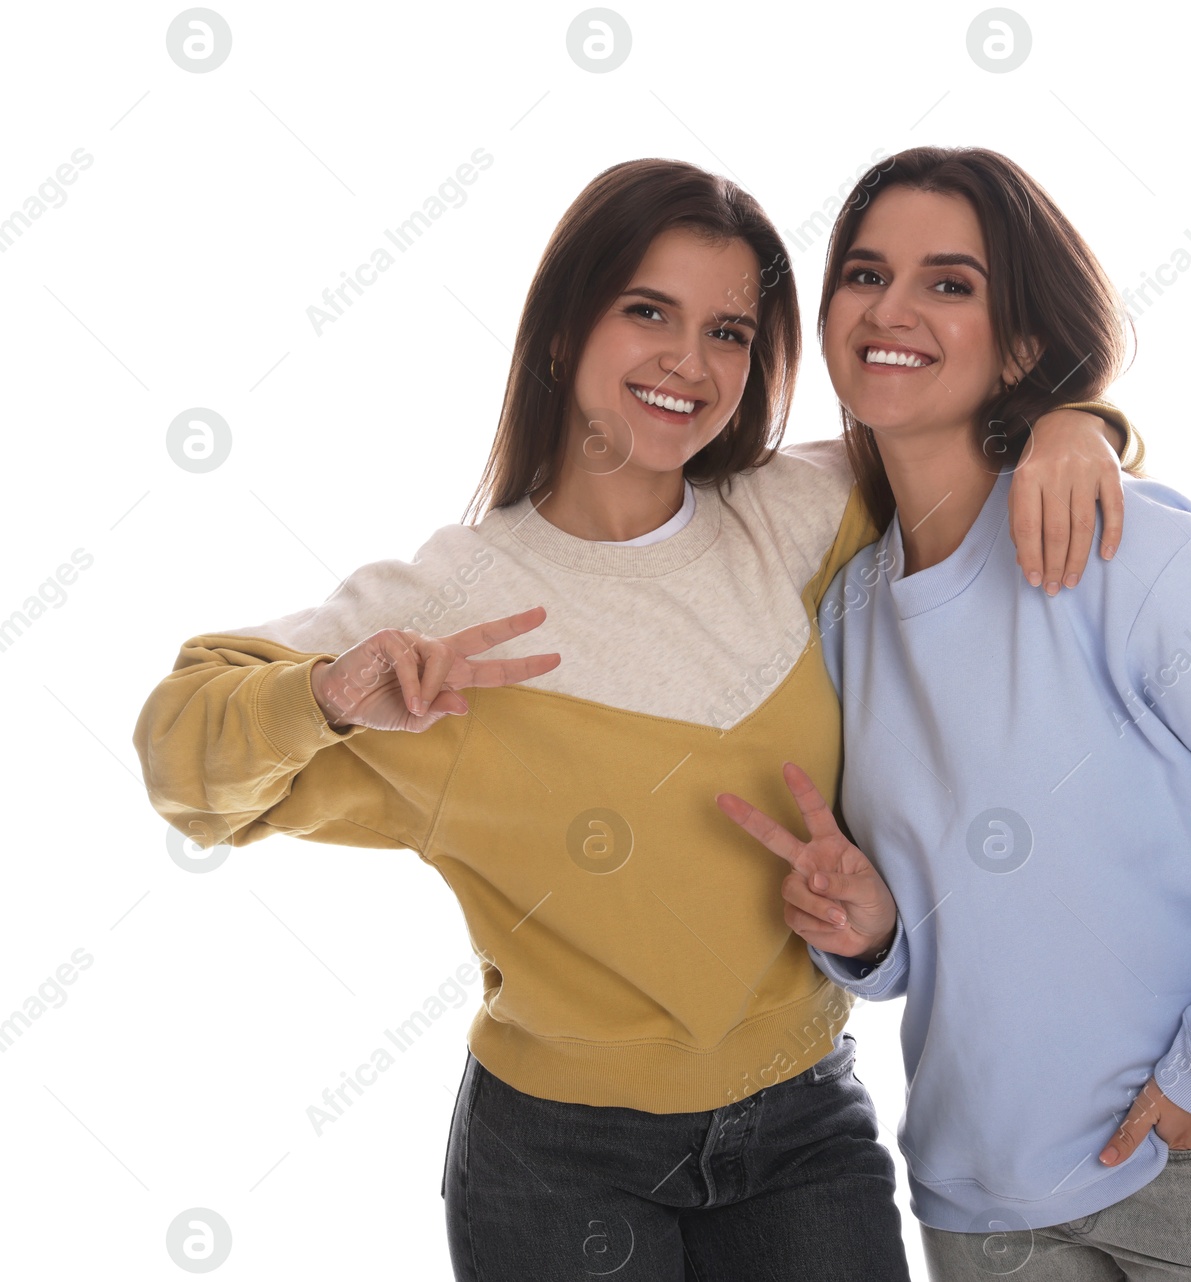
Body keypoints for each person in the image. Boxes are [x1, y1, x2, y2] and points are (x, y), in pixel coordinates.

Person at [131, 156, 1138, 1281]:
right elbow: (183, 768)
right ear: (565, 332)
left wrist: (1075, 424)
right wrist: (318, 695)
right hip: (557, 1162)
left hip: (803, 1127)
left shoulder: (800, 515)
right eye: (647, 311)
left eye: (729, 331)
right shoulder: (436, 605)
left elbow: (963, 432)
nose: (688, 362)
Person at [717, 146, 1191, 1281]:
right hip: (985, 1205)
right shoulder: (847, 613)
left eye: (950, 283)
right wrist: (875, 928)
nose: (892, 308)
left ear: (1025, 341)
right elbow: (947, 932)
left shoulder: (1126, 553)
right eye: (864, 273)